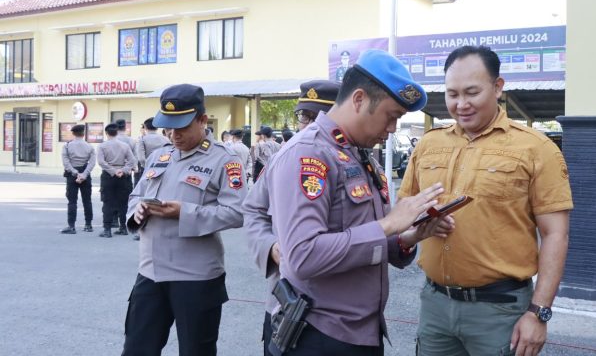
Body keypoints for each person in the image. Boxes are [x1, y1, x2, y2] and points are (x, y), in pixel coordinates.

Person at [264, 50, 452, 355]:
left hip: (361, 331)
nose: (392, 129)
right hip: (320, 334)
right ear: (359, 99)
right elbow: (303, 256)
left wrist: (407, 237)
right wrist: (389, 223)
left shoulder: (358, 154)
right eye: (391, 117)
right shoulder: (308, 154)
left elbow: (364, 240)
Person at [398, 45, 572, 356]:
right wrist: (421, 224)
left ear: (498, 87)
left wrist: (539, 312)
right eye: (452, 94)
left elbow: (555, 234)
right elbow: (403, 210)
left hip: (501, 312)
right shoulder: (428, 145)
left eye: (472, 92)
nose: (461, 104)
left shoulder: (536, 148)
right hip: (435, 305)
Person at [122, 83, 247, 356]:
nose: (173, 135)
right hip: (150, 272)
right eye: (168, 127)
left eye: (181, 127)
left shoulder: (225, 160)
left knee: (196, 351)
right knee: (136, 349)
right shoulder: (160, 155)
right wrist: (138, 212)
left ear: (202, 120)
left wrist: (184, 212)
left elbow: (238, 212)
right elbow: (136, 195)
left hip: (196, 277)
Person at [242, 79, 340, 355]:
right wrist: (270, 246)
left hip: (340, 312)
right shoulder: (283, 157)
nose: (309, 126)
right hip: (286, 304)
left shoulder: (358, 160)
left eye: (319, 117)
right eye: (303, 117)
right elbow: (253, 210)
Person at [96, 123, 136, 238]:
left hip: (108, 176)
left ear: (106, 133)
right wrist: (123, 170)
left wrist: (113, 171)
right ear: (117, 133)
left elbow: (101, 162)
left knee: (107, 202)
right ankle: (123, 228)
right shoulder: (125, 145)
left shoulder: (102, 146)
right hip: (123, 176)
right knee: (123, 203)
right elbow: (132, 161)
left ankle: (107, 230)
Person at [60, 124, 96, 233]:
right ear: (83, 133)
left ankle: (71, 226)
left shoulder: (67, 146)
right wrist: (84, 174)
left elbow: (66, 162)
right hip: (85, 174)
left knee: (72, 201)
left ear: (73, 133)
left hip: (72, 175)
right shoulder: (89, 147)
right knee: (87, 201)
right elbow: (92, 163)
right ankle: (88, 225)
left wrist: (75, 173)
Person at [115, 119, 138, 188]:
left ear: (115, 128)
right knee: (126, 195)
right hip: (127, 171)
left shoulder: (111, 140)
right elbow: (135, 156)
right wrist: (133, 168)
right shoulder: (131, 140)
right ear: (125, 128)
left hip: (114, 171)